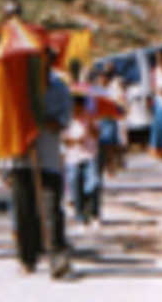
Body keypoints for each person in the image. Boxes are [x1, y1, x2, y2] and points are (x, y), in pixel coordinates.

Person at [6, 48, 73, 278]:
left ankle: (57, 257)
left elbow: (63, 122)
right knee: (24, 211)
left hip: (48, 158)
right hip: (22, 158)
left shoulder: (60, 88)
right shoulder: (19, 87)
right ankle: (27, 258)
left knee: (51, 210)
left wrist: (40, 122)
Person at [63, 95, 101, 229]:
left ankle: (94, 214)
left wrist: (91, 128)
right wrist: (75, 140)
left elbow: (97, 134)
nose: (77, 110)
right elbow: (64, 139)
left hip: (89, 155)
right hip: (73, 157)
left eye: (79, 106)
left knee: (94, 183)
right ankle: (80, 217)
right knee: (76, 185)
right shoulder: (67, 118)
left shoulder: (89, 116)